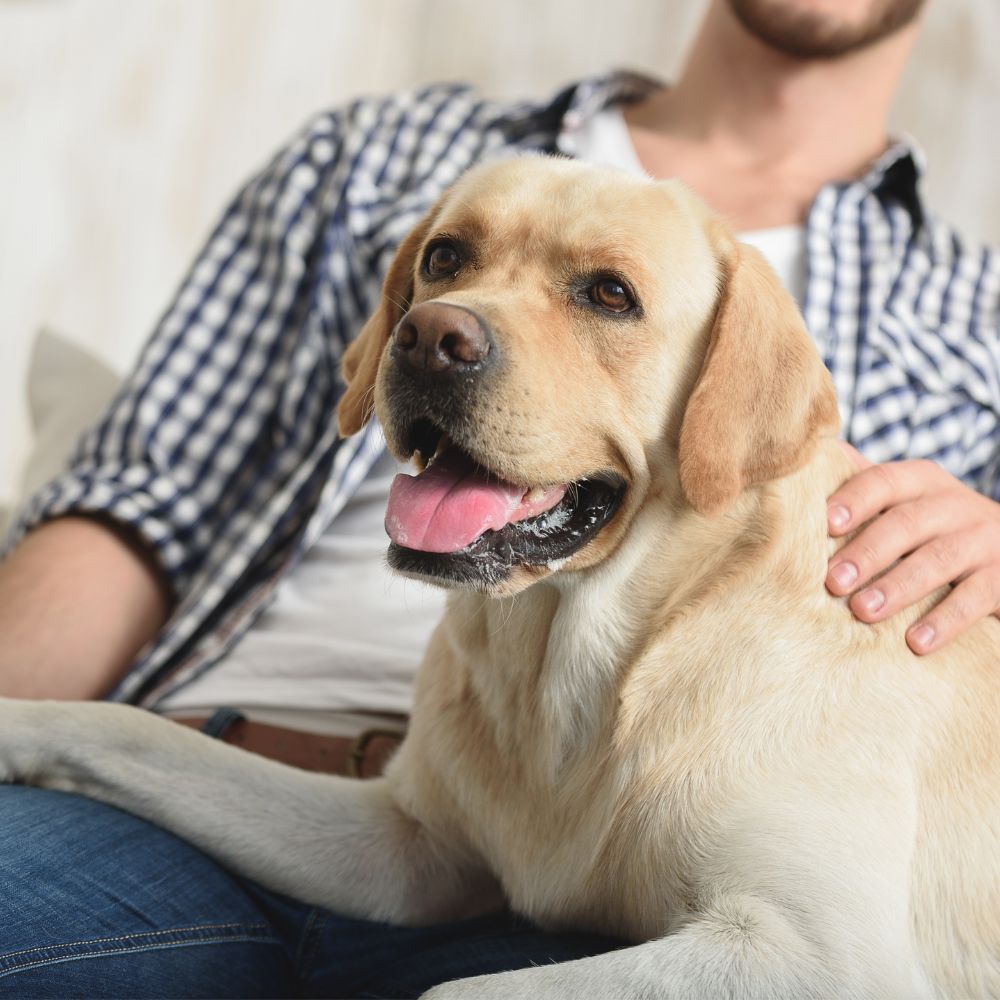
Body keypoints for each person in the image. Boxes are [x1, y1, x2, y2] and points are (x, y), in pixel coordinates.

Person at [1, 0, 998, 995]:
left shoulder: (976, 312)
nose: (455, 324)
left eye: (605, 294)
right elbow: (136, 497)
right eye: (448, 264)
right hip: (275, 786)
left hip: (604, 916)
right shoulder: (377, 152)